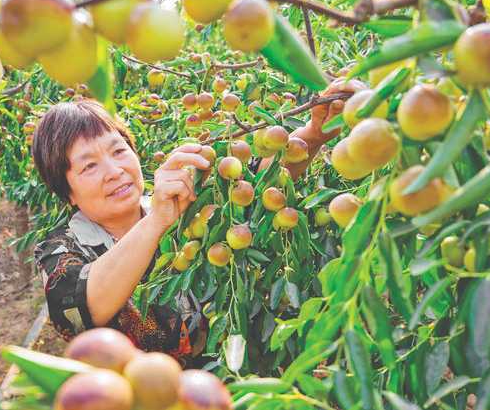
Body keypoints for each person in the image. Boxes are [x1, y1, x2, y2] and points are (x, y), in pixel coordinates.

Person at [30, 89, 344, 367]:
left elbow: (258, 184)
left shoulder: (185, 203)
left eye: (118, 151)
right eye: (89, 166)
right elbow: (80, 312)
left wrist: (316, 132)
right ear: (66, 191)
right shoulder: (61, 250)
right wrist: (157, 221)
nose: (114, 171)